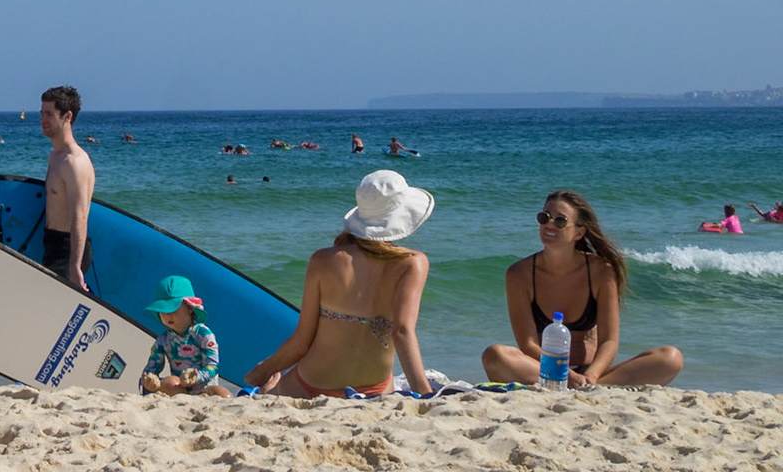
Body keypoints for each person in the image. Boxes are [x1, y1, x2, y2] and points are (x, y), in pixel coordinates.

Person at [242, 170, 435, 398]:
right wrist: (424, 394)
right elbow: (402, 332)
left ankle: (266, 390)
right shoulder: (412, 263)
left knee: (268, 386)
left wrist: (263, 370)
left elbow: (302, 341)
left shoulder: (323, 259)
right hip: (376, 387)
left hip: (315, 383)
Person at [481, 191, 682, 387]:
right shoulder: (519, 274)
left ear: (579, 232)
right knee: (495, 355)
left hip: (591, 373)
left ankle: (592, 386)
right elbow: (528, 344)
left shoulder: (600, 271)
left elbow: (609, 341)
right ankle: (584, 386)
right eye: (544, 218)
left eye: (560, 220)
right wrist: (566, 375)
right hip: (543, 370)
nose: (549, 224)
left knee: (670, 358)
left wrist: (591, 376)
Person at [38, 85, 93, 292]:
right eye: (42, 113)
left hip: (68, 250)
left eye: (49, 114)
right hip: (50, 243)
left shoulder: (75, 162)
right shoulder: (55, 157)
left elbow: (80, 217)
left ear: (67, 116)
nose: (43, 120)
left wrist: (74, 267)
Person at [137, 275, 224, 395]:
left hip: (205, 389)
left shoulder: (203, 335)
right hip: (180, 391)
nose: (167, 315)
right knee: (170, 382)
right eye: (163, 311)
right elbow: (151, 369)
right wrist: (149, 380)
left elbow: (212, 366)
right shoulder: (163, 341)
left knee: (220, 392)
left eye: (173, 309)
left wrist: (196, 376)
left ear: (190, 308)